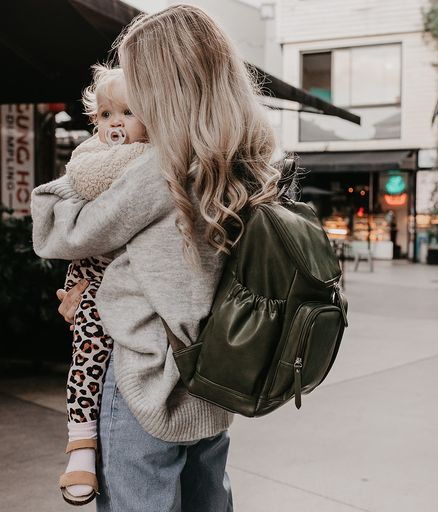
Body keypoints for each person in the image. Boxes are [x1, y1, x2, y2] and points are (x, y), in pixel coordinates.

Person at [31, 5, 281, 511]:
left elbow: (54, 229)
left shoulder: (155, 171)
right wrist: (98, 290)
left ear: (162, 87)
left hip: (147, 386)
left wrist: (90, 157)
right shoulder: (245, 158)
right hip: (214, 384)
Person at [54, 64, 150, 505]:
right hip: (91, 274)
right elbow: (79, 187)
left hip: (123, 282)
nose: (116, 123)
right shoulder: (91, 156)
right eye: (108, 113)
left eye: (128, 112)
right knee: (88, 347)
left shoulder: (157, 155)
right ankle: (80, 441)